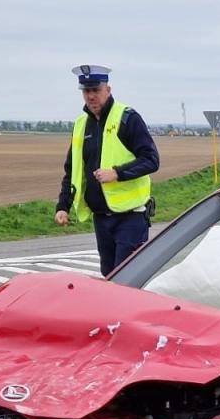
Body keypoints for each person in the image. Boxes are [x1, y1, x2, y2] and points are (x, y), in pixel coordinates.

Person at [54, 64, 160, 275]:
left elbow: (151, 160)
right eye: (86, 91)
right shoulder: (81, 125)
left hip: (130, 217)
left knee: (126, 277)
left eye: (96, 90)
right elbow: (72, 170)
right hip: (101, 218)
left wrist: (117, 173)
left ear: (108, 90)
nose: (91, 96)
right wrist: (62, 206)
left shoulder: (127, 118)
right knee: (109, 274)